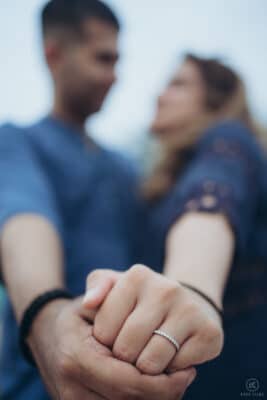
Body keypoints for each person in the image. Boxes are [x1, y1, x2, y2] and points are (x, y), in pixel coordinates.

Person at [0, 2, 195, 399]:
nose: (114, 76)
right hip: (35, 381)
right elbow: (23, 220)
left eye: (118, 61)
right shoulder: (18, 142)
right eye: (102, 58)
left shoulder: (125, 167)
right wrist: (46, 317)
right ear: (53, 54)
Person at [82, 54, 267, 399]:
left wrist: (192, 289)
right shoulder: (165, 177)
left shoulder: (228, 141)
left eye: (178, 84)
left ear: (214, 100)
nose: (159, 95)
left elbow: (213, 195)